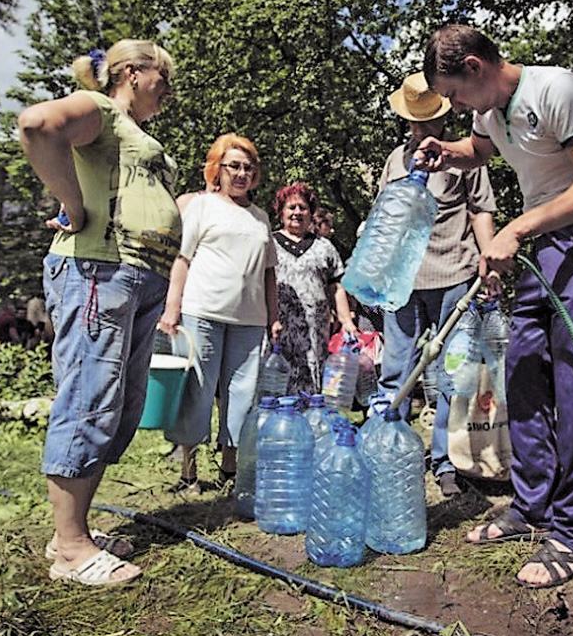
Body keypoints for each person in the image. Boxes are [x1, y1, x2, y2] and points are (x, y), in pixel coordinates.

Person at [416, 24, 573, 588]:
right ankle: (532, 504)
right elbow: (477, 150)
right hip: (542, 244)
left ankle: (571, 530)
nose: (454, 106)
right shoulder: (490, 115)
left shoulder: (557, 90)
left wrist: (515, 227)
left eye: (455, 93)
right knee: (523, 375)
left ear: (477, 68)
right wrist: (446, 152)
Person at [19, 39, 180, 586]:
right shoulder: (103, 110)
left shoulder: (131, 130)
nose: (169, 90)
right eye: (164, 77)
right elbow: (39, 125)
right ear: (133, 73)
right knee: (90, 395)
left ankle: (76, 528)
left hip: (135, 278)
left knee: (121, 405)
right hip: (99, 270)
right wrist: (73, 206)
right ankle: (69, 548)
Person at [377, 70, 496, 497]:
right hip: (402, 284)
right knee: (396, 370)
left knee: (451, 375)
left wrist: (490, 263)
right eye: (416, 120)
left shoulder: (466, 156)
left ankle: (446, 461)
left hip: (454, 277)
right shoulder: (395, 161)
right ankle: (387, 451)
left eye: (431, 120)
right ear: (407, 120)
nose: (423, 128)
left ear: (444, 117)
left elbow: (481, 210)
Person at [158, 134, 280, 490]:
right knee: (197, 391)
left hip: (250, 319)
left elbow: (269, 272)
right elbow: (182, 259)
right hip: (202, 312)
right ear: (218, 170)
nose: (241, 174)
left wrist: (273, 317)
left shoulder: (260, 218)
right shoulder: (202, 206)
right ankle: (189, 473)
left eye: (248, 168)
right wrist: (172, 308)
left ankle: (230, 470)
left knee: (241, 395)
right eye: (234, 167)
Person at [272, 182, 356, 395]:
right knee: (277, 382)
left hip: (315, 331)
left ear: (311, 213)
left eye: (303, 208)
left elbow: (337, 286)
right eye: (291, 207)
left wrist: (346, 321)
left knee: (314, 381)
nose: (297, 213)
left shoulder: (324, 247)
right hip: (279, 329)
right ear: (281, 212)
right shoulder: (269, 243)